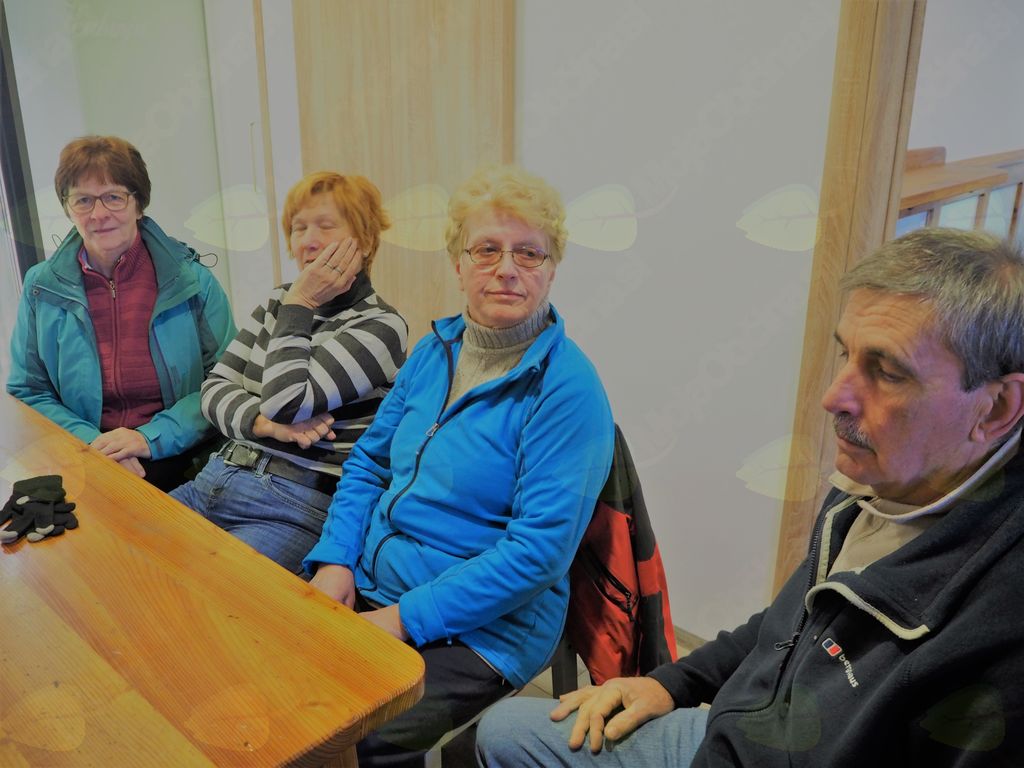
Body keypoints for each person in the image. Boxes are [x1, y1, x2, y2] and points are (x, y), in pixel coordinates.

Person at [476, 227, 1024, 767]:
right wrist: (672, 683)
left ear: (997, 408)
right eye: (846, 355)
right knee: (504, 731)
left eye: (886, 372)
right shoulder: (877, 486)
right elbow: (790, 622)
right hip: (734, 733)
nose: (835, 397)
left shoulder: (999, 629)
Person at [304, 165, 615, 767]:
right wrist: (337, 559)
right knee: (273, 677)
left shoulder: (568, 390)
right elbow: (368, 464)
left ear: (552, 268)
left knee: (342, 735)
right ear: (458, 264)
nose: (506, 268)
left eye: (529, 253)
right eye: (487, 249)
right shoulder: (433, 351)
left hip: (485, 629)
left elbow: (537, 555)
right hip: (374, 582)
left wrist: (403, 619)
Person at [170, 171, 407, 575]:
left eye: (325, 226)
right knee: (123, 555)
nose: (308, 241)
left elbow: (288, 403)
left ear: (365, 241)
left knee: (204, 591)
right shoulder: (278, 301)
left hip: (292, 505)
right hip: (217, 475)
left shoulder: (381, 325)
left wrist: (301, 302)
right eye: (299, 228)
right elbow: (214, 389)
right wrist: (264, 425)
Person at [7, 135, 236, 491]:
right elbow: (29, 390)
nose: (99, 214)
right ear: (68, 208)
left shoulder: (193, 280)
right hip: (84, 454)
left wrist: (149, 438)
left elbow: (228, 380)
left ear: (138, 204)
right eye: (83, 200)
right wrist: (96, 445)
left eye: (114, 197)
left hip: (182, 454)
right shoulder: (41, 287)